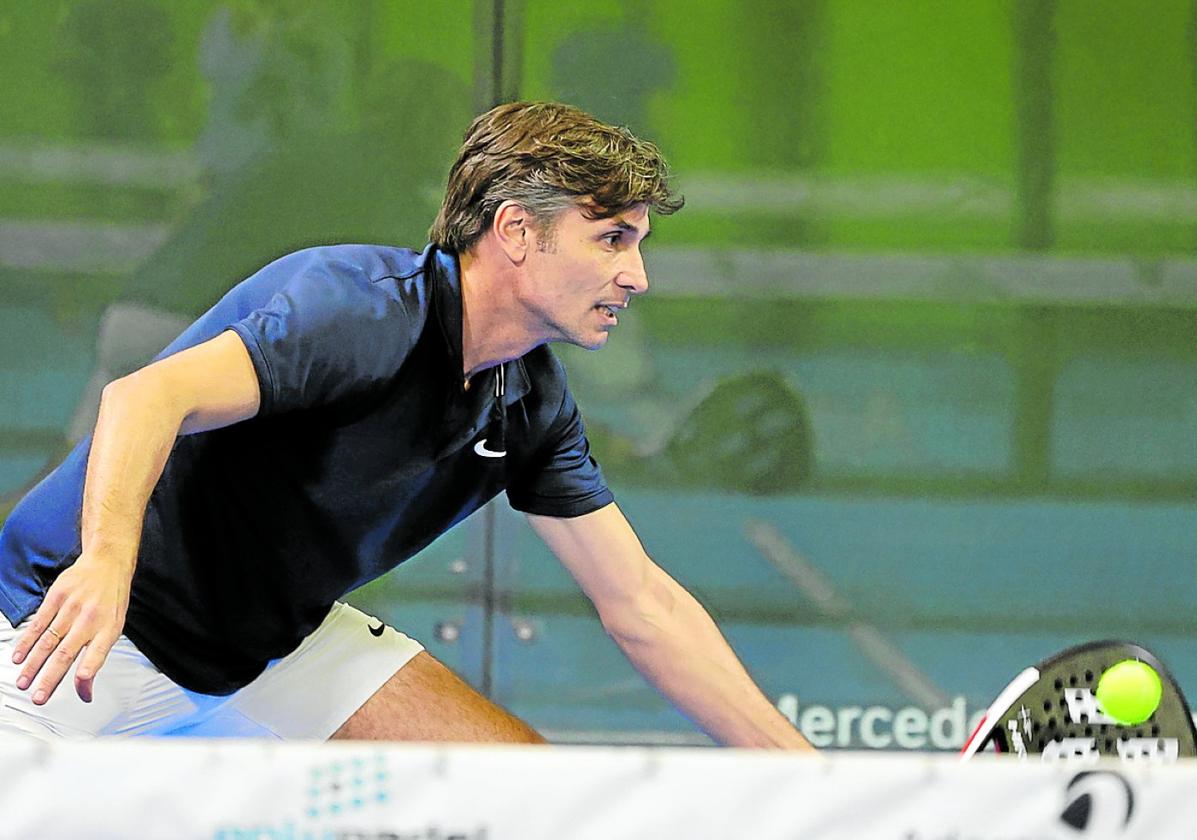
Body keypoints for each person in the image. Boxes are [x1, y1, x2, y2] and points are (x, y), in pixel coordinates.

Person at [0, 101, 814, 750]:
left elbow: (642, 605)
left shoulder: (531, 398)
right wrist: (106, 564)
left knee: (536, 804)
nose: (635, 275)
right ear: (518, 232)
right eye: (611, 239)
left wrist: (815, 786)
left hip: (272, 647)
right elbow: (143, 397)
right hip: (67, 635)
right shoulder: (354, 307)